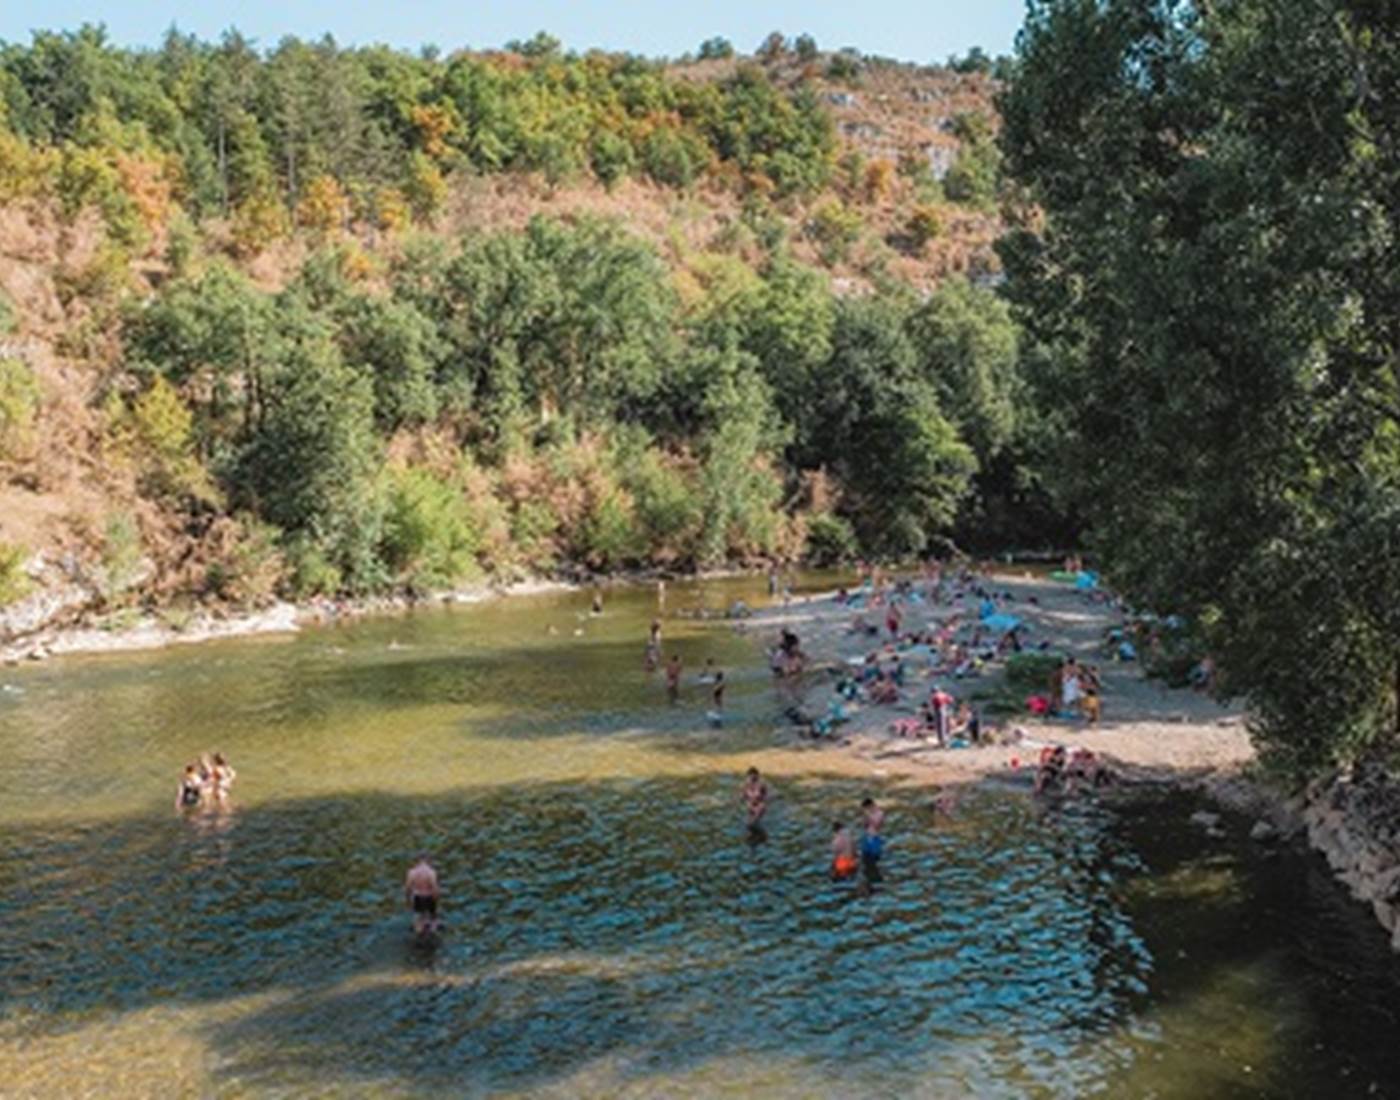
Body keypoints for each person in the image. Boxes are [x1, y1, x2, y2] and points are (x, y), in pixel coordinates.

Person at [404, 855, 442, 935]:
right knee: (433, 918)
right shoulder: (431, 872)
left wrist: (407, 900)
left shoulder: (412, 872)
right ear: (428, 861)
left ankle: (419, 932)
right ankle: (432, 933)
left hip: (418, 897)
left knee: (418, 917)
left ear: (418, 861)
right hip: (429, 897)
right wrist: (436, 899)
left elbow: (408, 888)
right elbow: (435, 888)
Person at [860, 797, 885, 880]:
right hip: (867, 837)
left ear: (871, 805)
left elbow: (876, 825)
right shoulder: (868, 814)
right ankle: (867, 876)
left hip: (874, 838)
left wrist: (869, 816)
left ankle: (875, 876)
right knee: (865, 860)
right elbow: (865, 826)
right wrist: (865, 818)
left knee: (874, 860)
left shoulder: (880, 813)